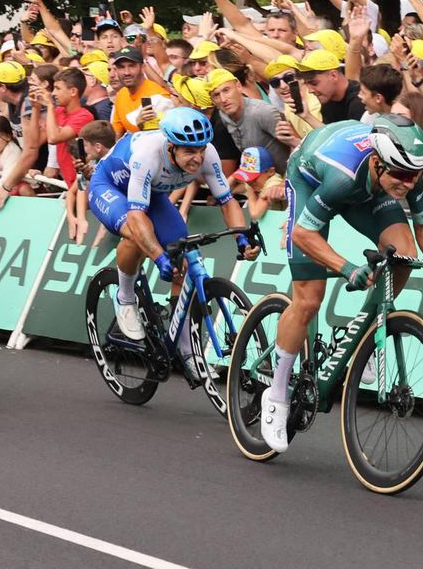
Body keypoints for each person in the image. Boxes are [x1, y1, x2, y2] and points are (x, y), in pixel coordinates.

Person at [260, 115, 423, 454]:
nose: (408, 184)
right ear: (376, 162)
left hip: (369, 189)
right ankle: (277, 392)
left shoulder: (403, 173)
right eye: (400, 175)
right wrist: (347, 267)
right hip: (313, 178)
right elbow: (303, 233)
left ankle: (365, 335)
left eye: (414, 176)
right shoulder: (343, 178)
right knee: (309, 300)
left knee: (402, 255)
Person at [87, 108, 259, 356]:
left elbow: (227, 200)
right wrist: (157, 256)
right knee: (136, 235)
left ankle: (183, 340)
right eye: (189, 151)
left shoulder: (207, 154)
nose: (197, 158)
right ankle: (125, 297)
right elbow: (136, 216)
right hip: (110, 187)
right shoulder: (148, 155)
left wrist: (241, 237)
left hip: (151, 192)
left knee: (181, 251)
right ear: (171, 147)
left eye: (201, 150)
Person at [206, 68, 289, 172]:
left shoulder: (262, 112)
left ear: (239, 86)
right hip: (257, 178)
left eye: (226, 90)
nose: (223, 99)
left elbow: (296, 147)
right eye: (216, 95)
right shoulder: (223, 115)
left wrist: (286, 181)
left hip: (285, 177)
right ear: (212, 100)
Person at [109, 46, 169, 136]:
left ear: (143, 67)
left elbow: (163, 140)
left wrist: (140, 127)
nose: (126, 72)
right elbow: (117, 135)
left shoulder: (158, 97)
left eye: (132, 66)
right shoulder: (121, 94)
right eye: (121, 67)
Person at [298, 50, 363, 123]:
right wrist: (305, 115)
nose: (310, 91)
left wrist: (308, 117)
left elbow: (346, 134)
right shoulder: (327, 101)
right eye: (306, 84)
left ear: (333, 75)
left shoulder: (361, 100)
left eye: (314, 83)